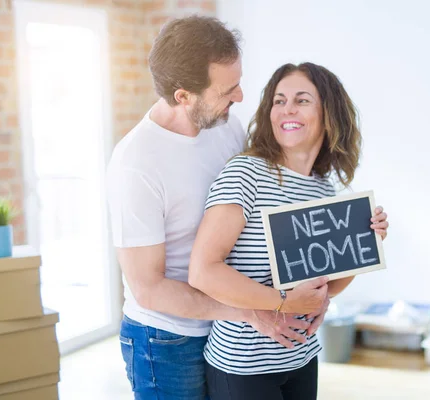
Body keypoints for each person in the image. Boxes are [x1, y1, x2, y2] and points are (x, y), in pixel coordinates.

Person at [105, 17, 347, 400]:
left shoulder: (224, 126)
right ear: (184, 96)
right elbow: (149, 290)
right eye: (227, 90)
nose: (240, 97)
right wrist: (252, 311)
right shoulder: (136, 163)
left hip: (226, 327)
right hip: (167, 339)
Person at [189, 62, 389, 400]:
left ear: (328, 113)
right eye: (279, 101)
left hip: (303, 357)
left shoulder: (323, 190)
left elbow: (324, 286)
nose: (287, 109)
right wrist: (282, 302)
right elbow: (203, 271)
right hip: (243, 367)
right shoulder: (246, 173)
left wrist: (367, 243)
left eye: (301, 100)